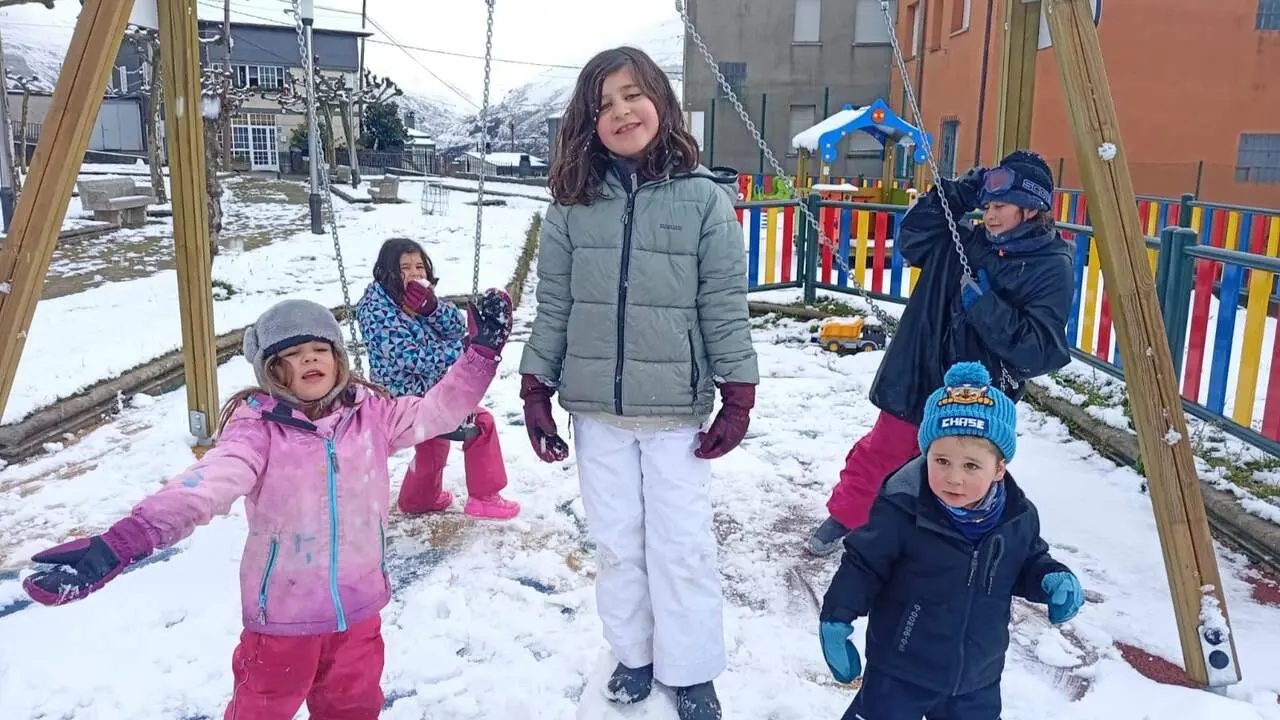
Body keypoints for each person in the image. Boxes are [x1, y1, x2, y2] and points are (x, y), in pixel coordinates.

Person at [22, 292, 513, 719]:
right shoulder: (256, 430)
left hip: (360, 612)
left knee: (354, 707)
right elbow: (210, 482)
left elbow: (440, 410)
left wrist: (482, 354)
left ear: (339, 358)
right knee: (263, 708)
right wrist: (124, 542)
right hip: (283, 619)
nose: (311, 360)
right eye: (294, 355)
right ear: (272, 371)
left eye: (321, 349)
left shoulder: (373, 415)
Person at [518, 46, 758, 720]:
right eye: (603, 105)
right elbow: (556, 304)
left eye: (632, 94)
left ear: (660, 99)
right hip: (597, 411)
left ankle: (690, 667)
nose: (621, 112)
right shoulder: (571, 205)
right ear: (587, 123)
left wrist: (738, 391)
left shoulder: (705, 200)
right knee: (618, 543)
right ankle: (634, 652)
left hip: (675, 412)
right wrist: (536, 385)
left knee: (680, 545)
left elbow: (722, 307)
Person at [808, 150, 1075, 555]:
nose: (990, 216)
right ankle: (847, 516)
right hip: (919, 370)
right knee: (880, 452)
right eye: (987, 206)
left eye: (1000, 207)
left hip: (976, 389)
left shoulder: (1050, 266)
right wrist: (960, 193)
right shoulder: (963, 241)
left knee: (963, 469)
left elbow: (1039, 350)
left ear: (1031, 209)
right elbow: (913, 238)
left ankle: (953, 543)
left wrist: (986, 307)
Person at [819, 361, 1085, 720]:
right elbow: (864, 564)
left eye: (971, 466)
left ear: (999, 468)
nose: (953, 478)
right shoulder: (902, 507)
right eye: (941, 460)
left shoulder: (1017, 518)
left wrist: (1050, 577)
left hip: (977, 676)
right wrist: (837, 618)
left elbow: (1026, 561)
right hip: (900, 669)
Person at [356, 238, 520, 520]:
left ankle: (419, 499)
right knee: (480, 424)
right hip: (399, 400)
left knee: (434, 441)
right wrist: (468, 350)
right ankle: (484, 497)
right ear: (387, 273)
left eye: (420, 266)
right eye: (405, 267)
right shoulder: (377, 310)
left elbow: (456, 327)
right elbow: (412, 357)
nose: (416, 273)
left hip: (427, 393)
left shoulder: (416, 300)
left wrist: (432, 309)